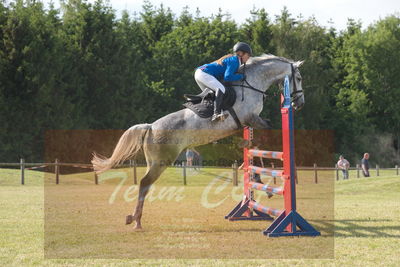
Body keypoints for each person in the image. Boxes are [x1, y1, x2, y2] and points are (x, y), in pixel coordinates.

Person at [192, 42, 252, 121]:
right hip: (204, 73)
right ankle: (216, 114)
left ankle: (212, 114)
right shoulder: (235, 61)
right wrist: (241, 76)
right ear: (241, 53)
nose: (248, 58)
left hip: (200, 73)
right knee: (221, 89)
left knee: (213, 95)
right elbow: (227, 77)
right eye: (248, 55)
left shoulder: (234, 60)